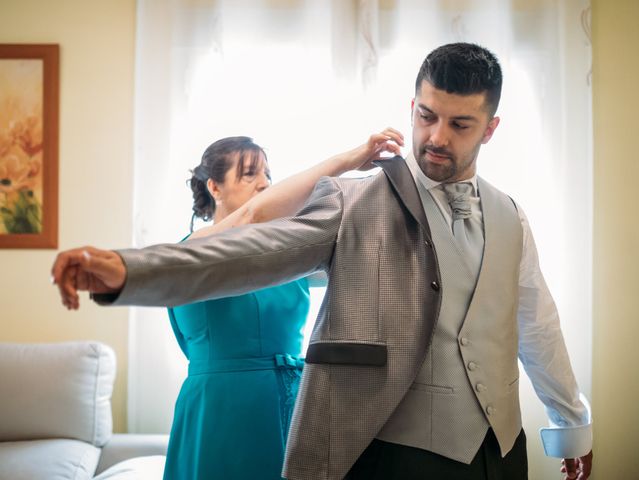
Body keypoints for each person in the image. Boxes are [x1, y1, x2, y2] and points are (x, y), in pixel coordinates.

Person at [52, 43, 593, 480]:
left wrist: (571, 421)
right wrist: (131, 269)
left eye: (460, 124)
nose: (436, 137)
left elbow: (537, 325)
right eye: (427, 116)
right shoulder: (352, 200)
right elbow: (251, 250)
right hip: (389, 453)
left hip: (501, 455)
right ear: (412, 108)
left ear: (491, 128)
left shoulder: (511, 216)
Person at [161, 133, 402, 480]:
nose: (264, 185)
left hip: (296, 403)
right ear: (214, 187)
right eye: (249, 175)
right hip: (223, 410)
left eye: (268, 176)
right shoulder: (192, 251)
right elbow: (252, 218)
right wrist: (346, 160)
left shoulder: (288, 260)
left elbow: (361, 255)